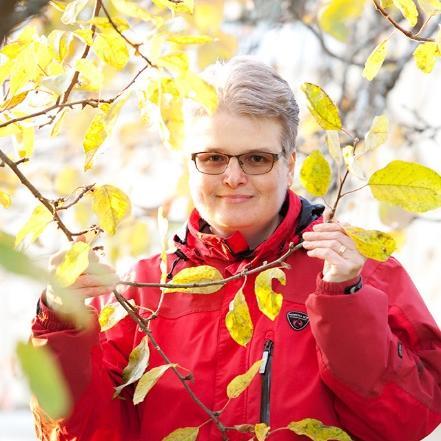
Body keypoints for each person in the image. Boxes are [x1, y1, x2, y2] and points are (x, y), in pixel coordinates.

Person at [32, 57, 441, 441]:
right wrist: (61, 325)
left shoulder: (362, 271)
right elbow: (83, 432)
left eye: (256, 158)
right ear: (190, 164)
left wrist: (346, 302)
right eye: (212, 157)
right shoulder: (143, 290)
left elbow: (410, 421)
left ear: (290, 162)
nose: (232, 177)